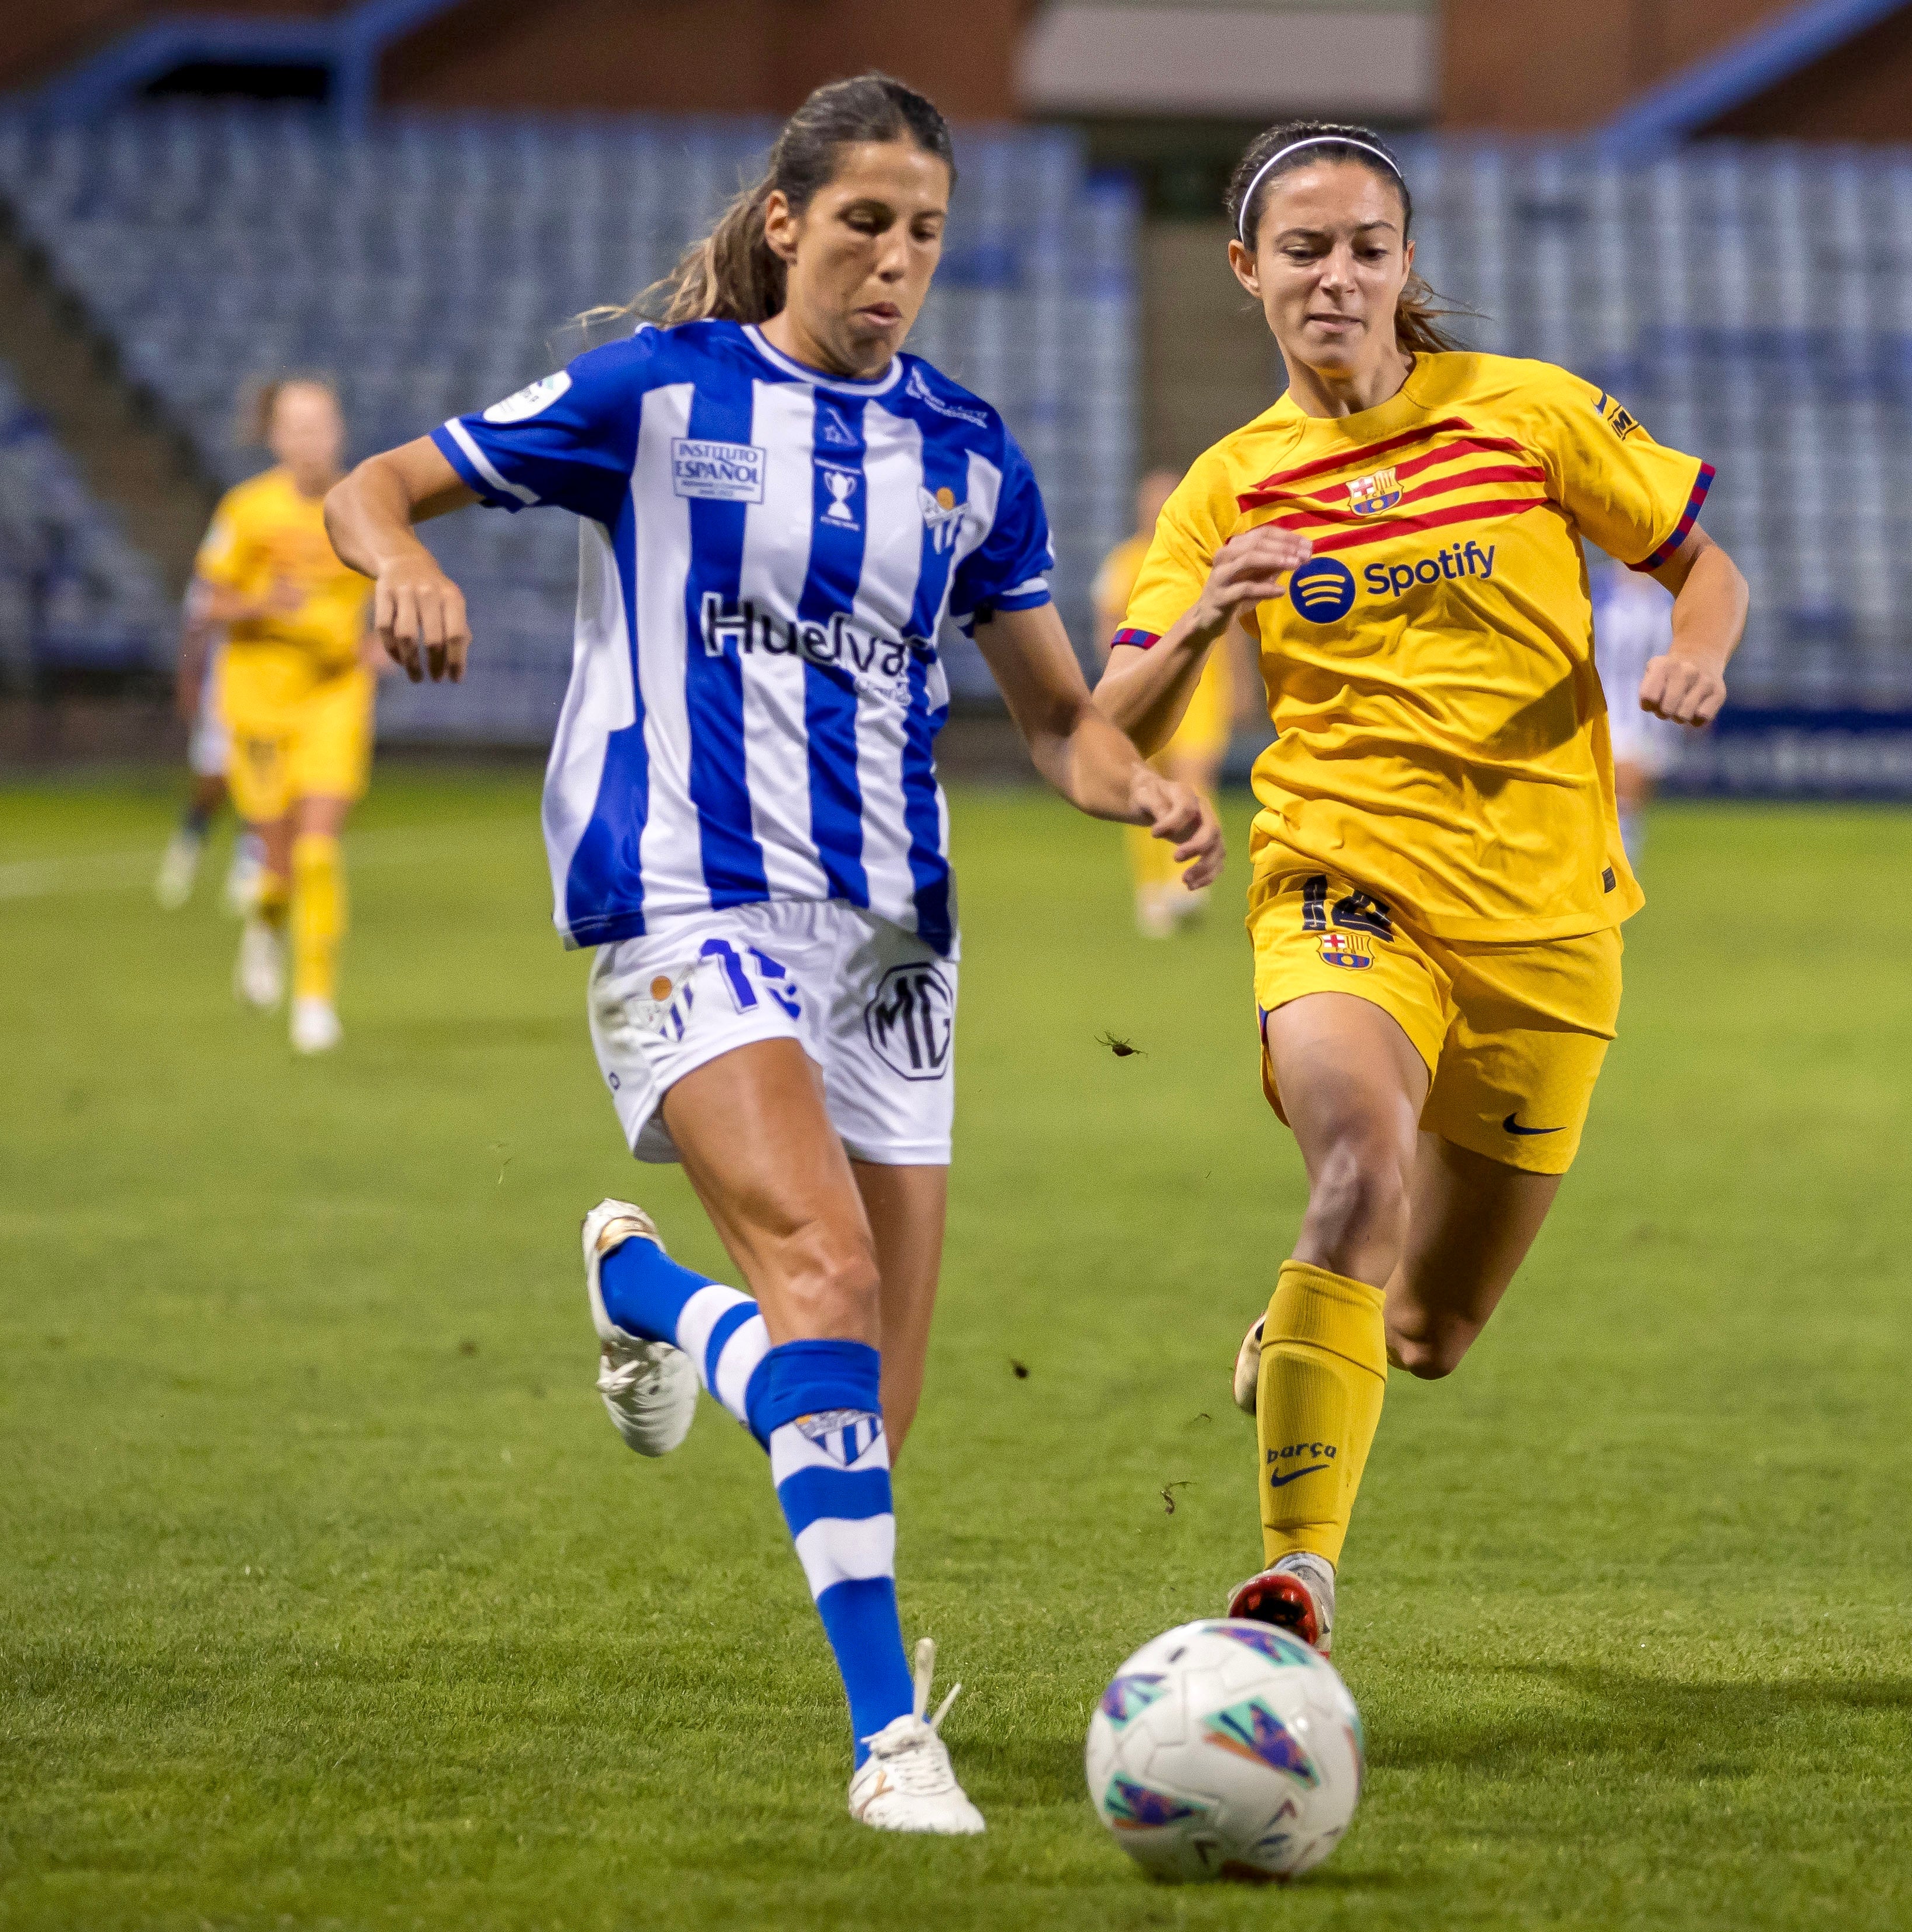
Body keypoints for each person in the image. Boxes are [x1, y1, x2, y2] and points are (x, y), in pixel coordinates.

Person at [321, 74, 1219, 1833]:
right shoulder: (655, 395)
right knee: (821, 1279)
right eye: (866, 221)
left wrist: (1145, 778)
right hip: (683, 888)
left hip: (890, 932)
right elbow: (375, 483)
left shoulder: (967, 454)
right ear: (788, 220)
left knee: (865, 1407)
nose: (895, 259)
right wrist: (394, 569)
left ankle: (648, 1294)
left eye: (927, 231)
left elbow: (1055, 725)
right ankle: (893, 1741)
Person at [1094, 121, 1749, 1650]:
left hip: (1549, 927)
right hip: (1342, 885)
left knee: (1429, 1330)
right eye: (1304, 250)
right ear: (1247, 271)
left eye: (1366, 247)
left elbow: (1702, 565)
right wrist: (1197, 622)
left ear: (1405, 266)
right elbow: (1099, 724)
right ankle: (1294, 1584)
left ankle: (1311, 1321)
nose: (1336, 276)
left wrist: (1696, 648)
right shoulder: (1226, 489)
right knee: (1356, 1168)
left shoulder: (1527, 413)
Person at [192, 377, 379, 1053]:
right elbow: (206, 604)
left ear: (340, 431)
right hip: (258, 700)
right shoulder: (246, 510)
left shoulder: (364, 502)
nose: (310, 439)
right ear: (274, 436)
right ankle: (266, 925)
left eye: (321, 424)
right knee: (276, 871)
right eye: (296, 427)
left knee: (319, 849)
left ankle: (315, 1000)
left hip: (336, 693)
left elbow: (398, 581)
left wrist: (390, 639)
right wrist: (258, 605)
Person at [1093, 466, 1246, 936]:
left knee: (1195, 777)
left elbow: (1234, 626)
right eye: (1150, 500)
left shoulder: (1206, 556)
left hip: (1204, 687)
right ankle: (1151, 890)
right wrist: (1117, 686)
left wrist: (1240, 684)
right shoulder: (1123, 562)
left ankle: (1186, 884)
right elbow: (1108, 625)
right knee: (1147, 790)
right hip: (1150, 688)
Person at [154, 572, 264, 914]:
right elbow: (197, 627)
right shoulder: (223, 567)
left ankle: (249, 869)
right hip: (223, 691)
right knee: (212, 784)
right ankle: (188, 845)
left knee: (262, 782)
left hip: (270, 692)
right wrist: (187, 678)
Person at [1588, 553, 1679, 864]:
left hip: (1652, 719)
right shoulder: (1596, 593)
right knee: (1619, 793)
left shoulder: (1668, 602)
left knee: (1630, 804)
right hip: (1605, 710)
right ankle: (1614, 877)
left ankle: (1617, 876)